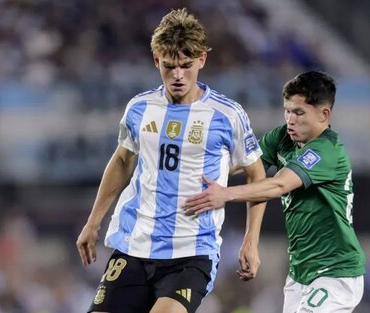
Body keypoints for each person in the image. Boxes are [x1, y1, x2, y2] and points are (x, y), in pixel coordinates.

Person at [76, 8, 266, 313]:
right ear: (156, 60)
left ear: (202, 59)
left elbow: (257, 176)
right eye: (169, 66)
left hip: (191, 253)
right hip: (135, 246)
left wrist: (250, 241)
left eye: (186, 66)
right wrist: (93, 221)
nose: (178, 75)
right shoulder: (139, 108)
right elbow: (123, 160)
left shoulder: (227, 115)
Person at [184, 71, 366, 313]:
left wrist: (225, 194)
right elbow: (243, 165)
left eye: (299, 113)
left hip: (336, 272)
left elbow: (279, 185)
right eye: (287, 110)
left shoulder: (327, 150)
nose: (290, 119)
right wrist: (190, 165)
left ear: (324, 114)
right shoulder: (281, 137)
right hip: (300, 272)